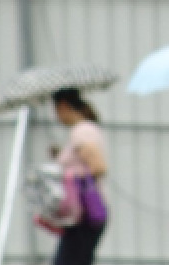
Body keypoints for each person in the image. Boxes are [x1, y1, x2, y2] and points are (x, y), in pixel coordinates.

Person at [52, 87, 108, 265]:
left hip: (83, 212)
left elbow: (98, 166)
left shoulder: (81, 132)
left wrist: (70, 175)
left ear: (63, 106)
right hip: (83, 213)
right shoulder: (87, 129)